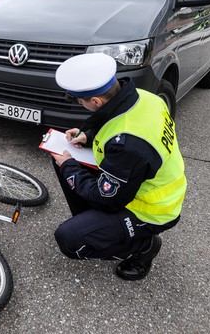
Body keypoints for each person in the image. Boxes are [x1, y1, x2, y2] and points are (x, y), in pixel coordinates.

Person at [48, 53, 186, 281]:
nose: (80, 105)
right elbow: (117, 127)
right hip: (144, 183)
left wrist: (70, 167)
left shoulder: (128, 145)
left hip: (152, 209)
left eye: (80, 101)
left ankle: (143, 247)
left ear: (96, 102)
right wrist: (88, 137)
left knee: (69, 239)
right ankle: (98, 225)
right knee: (63, 162)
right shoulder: (144, 97)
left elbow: (109, 199)